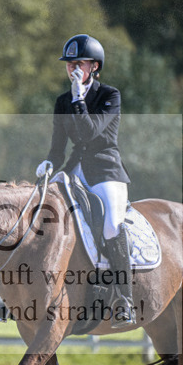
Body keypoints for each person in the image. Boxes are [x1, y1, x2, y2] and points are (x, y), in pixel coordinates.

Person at [35, 34, 135, 328]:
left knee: (111, 224)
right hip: (73, 170)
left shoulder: (109, 96)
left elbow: (91, 133)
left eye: (79, 63)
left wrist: (79, 97)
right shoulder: (62, 101)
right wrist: (49, 162)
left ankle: (125, 298)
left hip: (106, 172)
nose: (73, 68)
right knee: (42, 214)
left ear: (94, 66)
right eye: (69, 64)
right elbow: (58, 145)